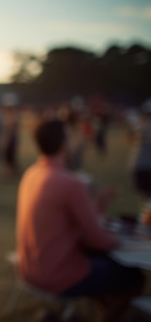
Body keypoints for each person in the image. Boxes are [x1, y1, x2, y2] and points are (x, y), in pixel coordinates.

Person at [16, 119, 144, 322]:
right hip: (58, 275)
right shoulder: (70, 182)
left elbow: (67, 225)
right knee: (133, 277)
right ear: (65, 143)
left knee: (105, 270)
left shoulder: (31, 174)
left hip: (29, 269)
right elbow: (96, 238)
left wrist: (98, 206)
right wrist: (124, 242)